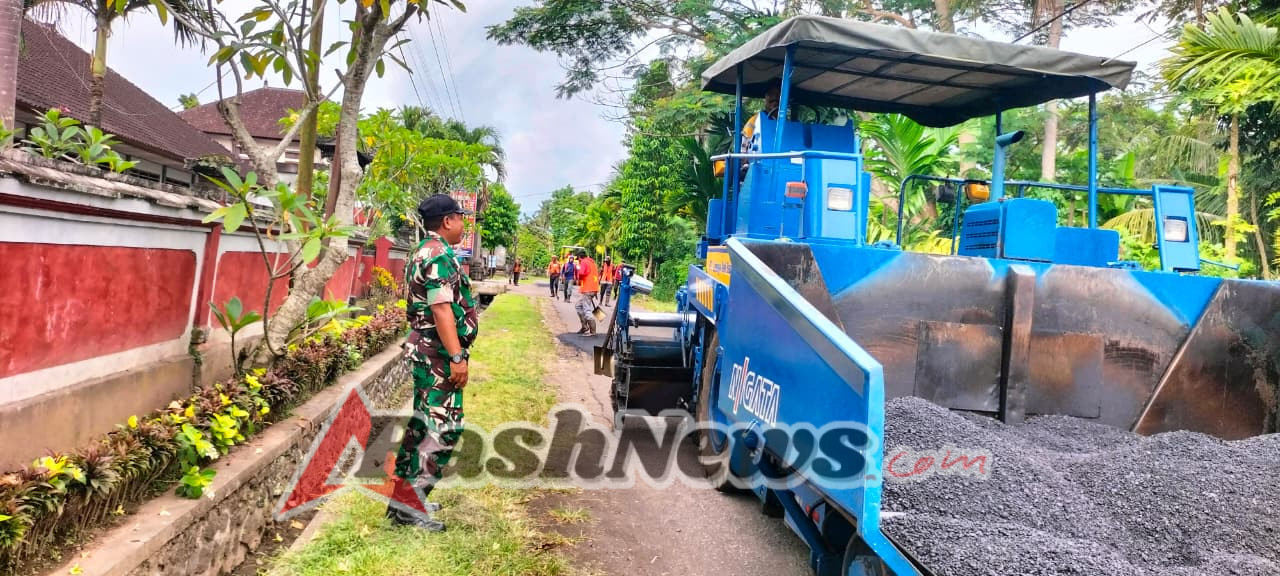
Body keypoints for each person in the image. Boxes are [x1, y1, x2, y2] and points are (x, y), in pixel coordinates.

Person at [390, 193, 479, 532]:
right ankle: (410, 505)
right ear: (447, 221)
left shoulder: (423, 251)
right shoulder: (439, 254)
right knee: (444, 427)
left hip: (427, 350)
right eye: (459, 217)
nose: (463, 223)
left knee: (420, 426)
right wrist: (456, 357)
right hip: (437, 354)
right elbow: (442, 308)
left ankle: (404, 498)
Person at [714, 79, 784, 179]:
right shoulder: (755, 120)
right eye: (772, 98)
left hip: (780, 165)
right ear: (766, 98)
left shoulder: (786, 123)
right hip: (757, 165)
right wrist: (746, 161)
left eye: (777, 99)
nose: (775, 101)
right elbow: (744, 148)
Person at [574, 249, 600, 335]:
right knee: (578, 306)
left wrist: (579, 277)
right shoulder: (592, 263)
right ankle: (585, 327)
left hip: (588, 289)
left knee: (587, 309)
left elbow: (581, 273)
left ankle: (593, 331)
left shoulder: (584, 262)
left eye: (578, 259)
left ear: (579, 257)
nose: (578, 261)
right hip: (593, 288)